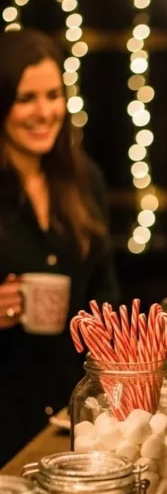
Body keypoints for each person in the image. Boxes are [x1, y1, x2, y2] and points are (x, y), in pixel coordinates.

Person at [0, 29, 118, 464]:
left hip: (72, 419)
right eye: (25, 98)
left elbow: (105, 292)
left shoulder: (84, 179)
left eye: (53, 95)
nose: (44, 112)